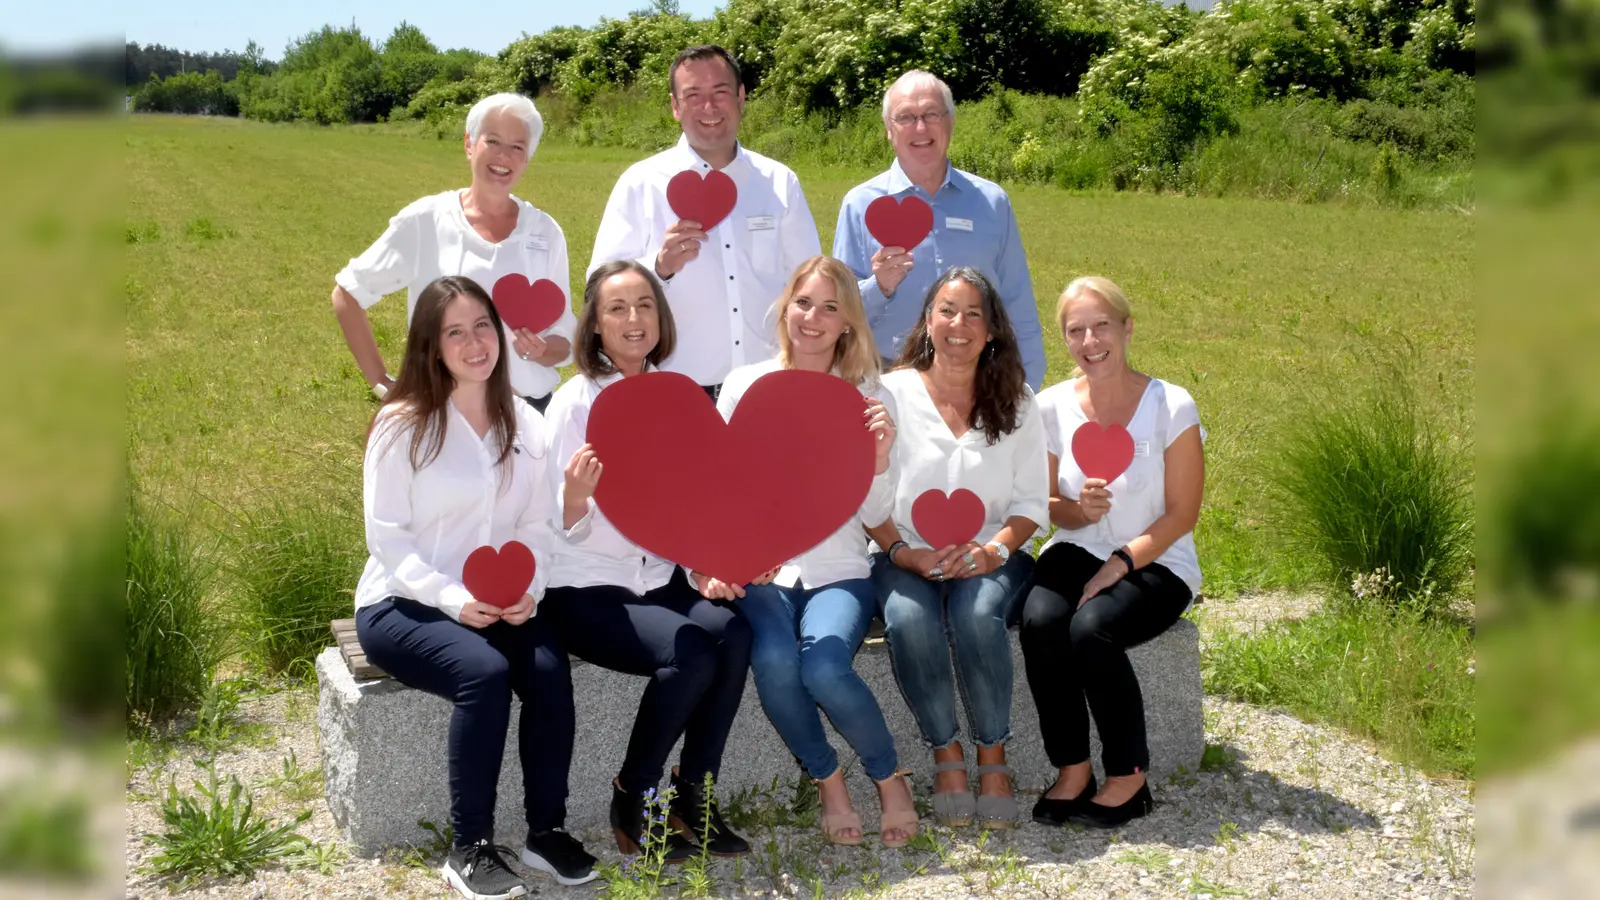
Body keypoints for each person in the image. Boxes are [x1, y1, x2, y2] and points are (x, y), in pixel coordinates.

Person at [353, 275, 590, 899]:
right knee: (483, 672)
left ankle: (546, 832)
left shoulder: (527, 423)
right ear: (431, 346)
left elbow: (538, 525)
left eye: (482, 326)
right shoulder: (402, 425)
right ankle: (470, 848)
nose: (474, 342)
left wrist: (532, 587)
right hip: (403, 602)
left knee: (547, 668)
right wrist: (454, 600)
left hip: (501, 599)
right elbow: (388, 540)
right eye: (454, 332)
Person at [540, 259, 753, 862]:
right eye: (617, 308)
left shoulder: (677, 397)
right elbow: (546, 521)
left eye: (645, 305)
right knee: (690, 652)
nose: (633, 318)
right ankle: (634, 794)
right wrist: (574, 499)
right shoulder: (574, 404)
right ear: (594, 324)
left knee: (734, 634)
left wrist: (703, 565)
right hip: (584, 584)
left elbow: (692, 504)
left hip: (658, 577)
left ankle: (694, 794)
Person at [716, 256, 918, 848]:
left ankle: (889, 778)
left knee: (825, 667)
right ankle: (829, 782)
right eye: (804, 302)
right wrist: (734, 555)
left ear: (848, 322)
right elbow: (721, 487)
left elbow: (875, 510)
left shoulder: (870, 396)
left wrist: (878, 457)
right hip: (763, 571)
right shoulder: (745, 385)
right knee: (777, 661)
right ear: (786, 308)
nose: (813, 317)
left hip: (839, 567)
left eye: (831, 307)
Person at [863, 266, 1048, 830]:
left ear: (991, 331)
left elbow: (1030, 503)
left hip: (992, 553)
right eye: (947, 310)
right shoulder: (888, 394)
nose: (958, 325)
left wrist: (992, 552)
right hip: (902, 550)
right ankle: (946, 754)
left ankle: (992, 756)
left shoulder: (1018, 402)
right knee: (908, 618)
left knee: (976, 613)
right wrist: (903, 553)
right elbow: (866, 495)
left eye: (973, 314)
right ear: (927, 321)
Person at [1020, 276, 1205, 829]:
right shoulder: (1050, 406)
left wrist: (1120, 563)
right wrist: (1079, 510)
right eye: (1075, 330)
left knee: (1091, 628)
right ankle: (1073, 769)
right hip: (1076, 546)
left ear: (1127, 328)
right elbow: (1048, 504)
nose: (1090, 340)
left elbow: (1182, 514)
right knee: (1041, 621)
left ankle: (1128, 776)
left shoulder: (1170, 405)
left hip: (1157, 559)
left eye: (1102, 325)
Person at [589, 45, 821, 400]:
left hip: (768, 384)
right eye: (693, 95)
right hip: (674, 389)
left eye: (720, 92)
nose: (709, 107)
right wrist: (659, 267)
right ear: (675, 106)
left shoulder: (779, 182)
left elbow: (810, 281)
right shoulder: (641, 183)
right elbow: (598, 286)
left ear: (741, 97)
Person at [332, 93, 576, 412]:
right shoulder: (426, 220)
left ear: (528, 156)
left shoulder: (545, 232)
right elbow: (348, 294)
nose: (504, 156)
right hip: (446, 413)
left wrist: (540, 350)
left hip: (531, 413)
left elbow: (565, 337)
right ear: (469, 144)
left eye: (517, 146)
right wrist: (383, 384)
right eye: (492, 141)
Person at [832, 70, 1046, 389]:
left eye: (932, 114)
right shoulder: (860, 205)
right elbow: (838, 312)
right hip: (888, 382)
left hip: (978, 379)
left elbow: (1017, 302)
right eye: (906, 117)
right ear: (889, 129)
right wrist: (880, 287)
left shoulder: (991, 202)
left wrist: (1026, 386)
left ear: (951, 122)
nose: (920, 128)